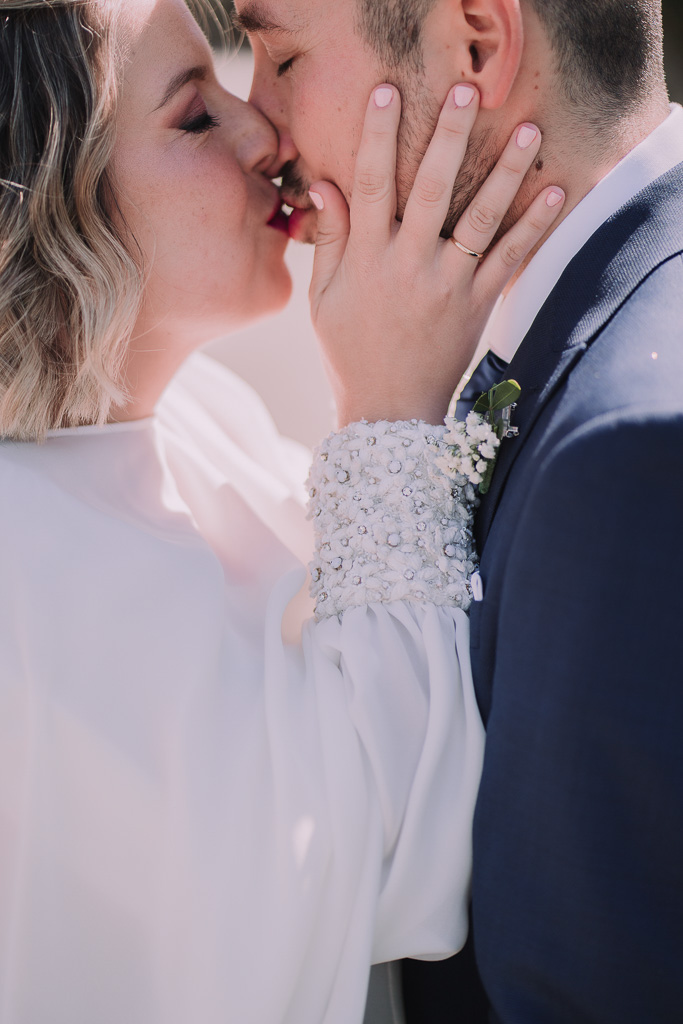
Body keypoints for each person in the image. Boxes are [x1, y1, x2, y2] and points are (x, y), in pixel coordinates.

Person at [0, 1, 565, 1022]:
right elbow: (388, 873)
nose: (263, 135)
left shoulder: (203, 418)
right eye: (193, 119)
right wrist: (390, 410)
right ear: (51, 204)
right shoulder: (21, 568)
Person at [233, 0, 683, 1020]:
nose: (258, 123)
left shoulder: (632, 456)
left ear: (475, 43)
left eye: (281, 55)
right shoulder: (595, 328)